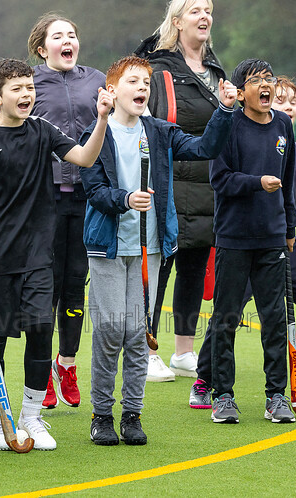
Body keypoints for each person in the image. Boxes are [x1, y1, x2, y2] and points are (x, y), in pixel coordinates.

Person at [80, 55, 235, 445]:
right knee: (112, 328)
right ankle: (101, 414)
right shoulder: (97, 133)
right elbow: (94, 191)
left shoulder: (161, 131)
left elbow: (205, 148)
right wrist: (126, 199)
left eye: (146, 82)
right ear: (112, 91)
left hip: (150, 249)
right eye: (134, 81)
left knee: (137, 334)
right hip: (108, 247)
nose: (143, 88)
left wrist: (225, 110)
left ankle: (131, 415)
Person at [0, 58, 109, 451]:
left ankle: (31, 418)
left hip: (38, 256)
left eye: (30, 87)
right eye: (17, 89)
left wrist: (102, 119)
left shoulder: (44, 131)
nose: (26, 94)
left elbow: (85, 158)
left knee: (42, 331)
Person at [189, 77, 296, 409]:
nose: (288, 106)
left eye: (293, 101)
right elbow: (221, 178)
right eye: (281, 99)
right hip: (241, 241)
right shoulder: (239, 132)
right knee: (229, 314)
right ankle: (206, 380)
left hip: (283, 243)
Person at [134, 0, 226, 382]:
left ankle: (183, 351)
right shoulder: (158, 70)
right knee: (161, 265)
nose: (204, 16)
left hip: (208, 183)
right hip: (168, 182)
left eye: (208, 10)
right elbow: (145, 125)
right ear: (176, 22)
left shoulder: (217, 71)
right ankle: (145, 347)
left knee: (194, 263)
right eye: (195, 11)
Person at [207, 59, 296, 424]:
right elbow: (221, 180)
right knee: (225, 318)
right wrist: (256, 182)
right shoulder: (229, 125)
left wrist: (289, 228)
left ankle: (276, 395)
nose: (265, 86)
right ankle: (223, 395)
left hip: (272, 237)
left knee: (274, 319)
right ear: (241, 91)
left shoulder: (283, 124)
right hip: (233, 237)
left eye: (269, 79)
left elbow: (288, 180)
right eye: (255, 81)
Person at [28, 13, 106, 409]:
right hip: (45, 199)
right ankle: (41, 370)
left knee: (77, 283)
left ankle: (68, 364)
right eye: (58, 36)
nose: (67, 41)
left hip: (87, 198)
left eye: (72, 35)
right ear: (42, 49)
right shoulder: (29, 84)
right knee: (48, 284)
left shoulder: (96, 81)